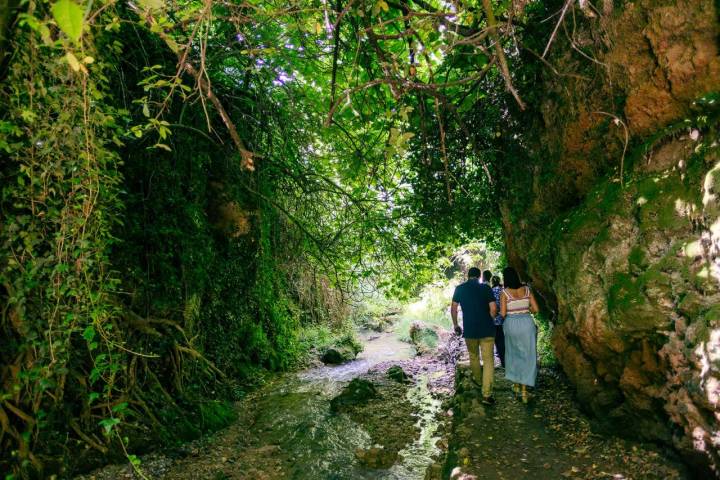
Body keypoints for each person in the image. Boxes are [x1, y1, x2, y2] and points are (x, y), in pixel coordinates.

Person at [451, 267, 498, 405]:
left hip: (470, 330)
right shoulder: (486, 288)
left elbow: (454, 308)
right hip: (487, 330)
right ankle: (487, 394)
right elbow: (493, 309)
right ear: (479, 276)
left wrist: (455, 325)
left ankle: (478, 381)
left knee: (474, 357)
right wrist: (491, 318)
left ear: (468, 275)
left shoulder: (459, 288)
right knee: (488, 360)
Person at [500, 266, 539, 404]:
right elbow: (536, 309)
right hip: (527, 324)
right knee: (528, 355)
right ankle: (523, 391)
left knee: (513, 353)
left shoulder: (504, 293)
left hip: (511, 325)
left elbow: (503, 314)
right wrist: (524, 309)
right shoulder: (527, 290)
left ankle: (516, 384)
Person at [490, 275, 505, 367]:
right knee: (506, 341)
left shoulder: (491, 291)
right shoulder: (504, 290)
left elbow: (493, 306)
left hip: (496, 321)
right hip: (506, 319)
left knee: (499, 342)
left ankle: (503, 362)